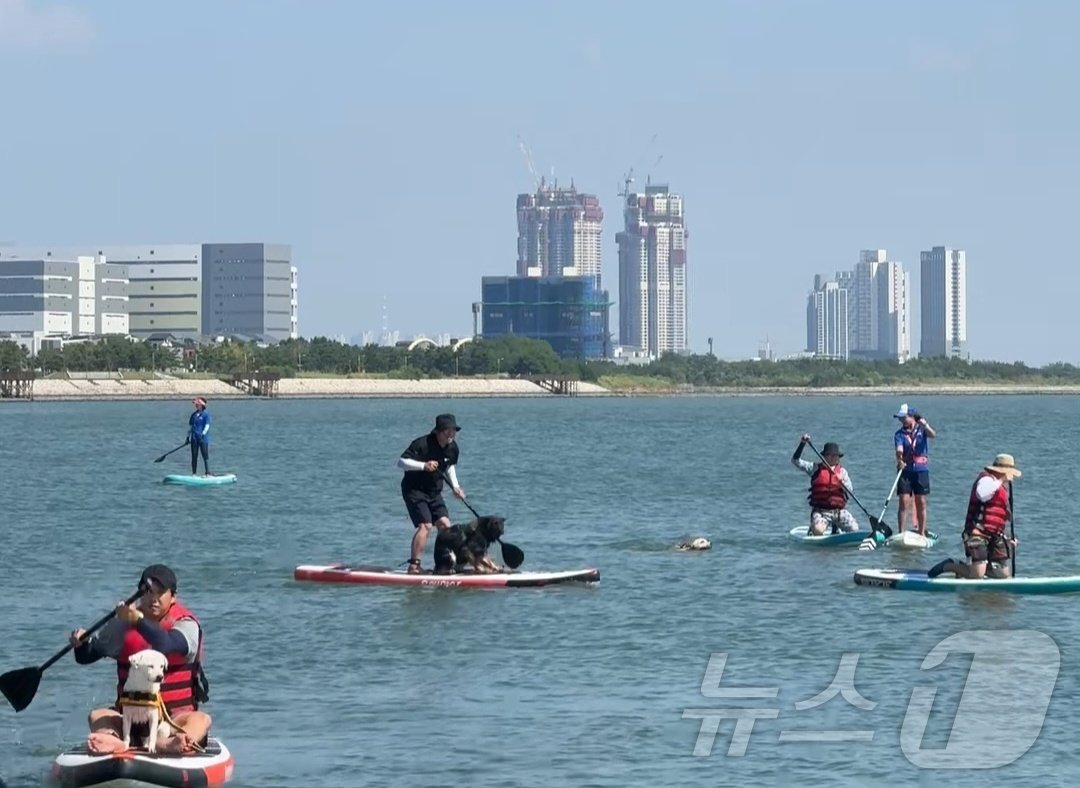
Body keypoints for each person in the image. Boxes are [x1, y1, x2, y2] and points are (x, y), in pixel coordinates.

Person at [70, 564, 211, 755]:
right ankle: (114, 739)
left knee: (201, 719)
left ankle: (168, 743)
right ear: (140, 593)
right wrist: (81, 644)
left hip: (172, 720)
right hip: (129, 718)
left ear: (173, 597)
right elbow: (88, 656)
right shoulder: (122, 624)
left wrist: (136, 620)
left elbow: (166, 645)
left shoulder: (186, 624)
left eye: (160, 593)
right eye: (149, 592)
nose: (153, 599)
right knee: (98, 715)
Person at [928, 454, 1021, 580]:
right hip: (978, 532)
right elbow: (982, 494)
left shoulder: (1001, 487)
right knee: (977, 576)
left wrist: (1009, 540)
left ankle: (977, 568)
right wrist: (1001, 479)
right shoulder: (986, 480)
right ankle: (951, 565)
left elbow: (998, 513)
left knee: (1003, 575)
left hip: (995, 535)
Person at [396, 414, 466, 573]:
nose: (452, 434)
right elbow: (401, 462)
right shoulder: (422, 444)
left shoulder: (453, 447)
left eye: (454, 430)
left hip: (434, 492)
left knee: (445, 526)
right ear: (439, 432)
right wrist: (423, 466)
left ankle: (442, 564)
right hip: (414, 490)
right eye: (448, 431)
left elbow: (449, 466)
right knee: (426, 526)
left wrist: (456, 487)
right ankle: (414, 566)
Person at [791, 434, 860, 535]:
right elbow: (795, 461)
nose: (834, 458)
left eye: (836, 456)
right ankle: (814, 527)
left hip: (838, 512)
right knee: (818, 531)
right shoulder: (814, 468)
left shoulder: (842, 472)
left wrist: (842, 482)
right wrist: (802, 444)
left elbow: (850, 491)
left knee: (854, 529)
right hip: (821, 512)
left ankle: (836, 526)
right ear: (825, 456)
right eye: (831, 455)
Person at [893, 403, 936, 535]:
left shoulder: (921, 430)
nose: (901, 420)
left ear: (911, 417)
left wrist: (926, 425)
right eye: (900, 418)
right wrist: (900, 460)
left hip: (921, 470)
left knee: (921, 502)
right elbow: (899, 450)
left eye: (903, 417)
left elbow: (933, 435)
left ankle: (921, 532)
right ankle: (901, 532)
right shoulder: (899, 434)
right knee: (903, 502)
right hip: (906, 471)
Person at [189, 397, 211, 476]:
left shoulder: (206, 415)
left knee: (205, 455)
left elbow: (207, 425)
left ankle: (208, 473)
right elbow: (191, 427)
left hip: (203, 439)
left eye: (197, 404)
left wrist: (203, 433)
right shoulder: (193, 415)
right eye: (196, 404)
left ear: (202, 405)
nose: (196, 406)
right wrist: (188, 437)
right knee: (194, 456)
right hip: (194, 438)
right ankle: (194, 473)